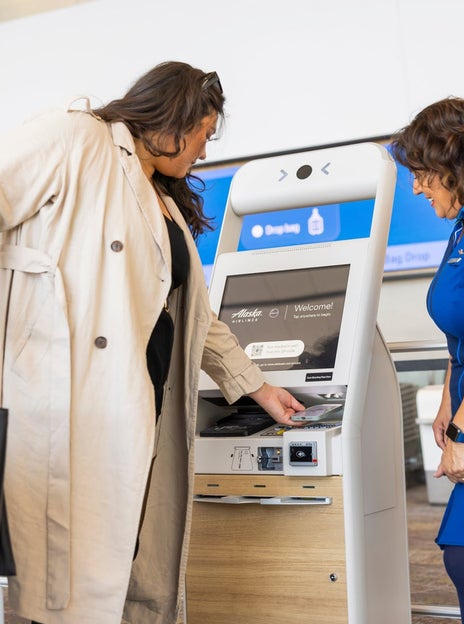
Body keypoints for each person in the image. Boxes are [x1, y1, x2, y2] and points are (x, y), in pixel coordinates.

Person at [0, 61, 305, 624]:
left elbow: (196, 320)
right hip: (72, 403)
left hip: (143, 406)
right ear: (175, 117)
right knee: (63, 582)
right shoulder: (77, 136)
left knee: (128, 563)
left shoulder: (160, 199)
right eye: (205, 135)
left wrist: (258, 387)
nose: (205, 152)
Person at [391, 96, 464, 624]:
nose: (417, 186)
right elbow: (462, 333)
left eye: (422, 174)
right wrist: (447, 401)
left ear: (454, 166)